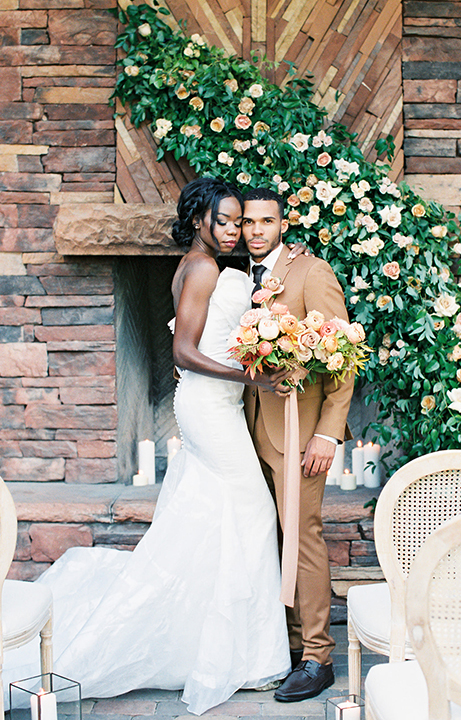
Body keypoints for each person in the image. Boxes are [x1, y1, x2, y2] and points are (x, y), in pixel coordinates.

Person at [3, 178, 291, 716]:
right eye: (222, 221)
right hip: (208, 406)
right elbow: (183, 352)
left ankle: (223, 644)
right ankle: (245, 656)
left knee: (219, 518)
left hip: (215, 404)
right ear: (199, 220)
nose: (232, 230)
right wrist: (253, 379)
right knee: (251, 512)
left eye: (237, 221)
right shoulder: (204, 268)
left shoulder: (196, 264)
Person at [242, 187, 354, 703]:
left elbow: (343, 355)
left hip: (302, 433)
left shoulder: (312, 273)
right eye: (248, 221)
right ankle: (284, 647)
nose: (257, 230)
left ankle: (317, 657)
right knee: (269, 539)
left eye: (267, 221)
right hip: (246, 433)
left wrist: (328, 433)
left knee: (303, 537)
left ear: (283, 224)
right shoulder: (236, 277)